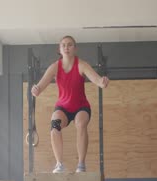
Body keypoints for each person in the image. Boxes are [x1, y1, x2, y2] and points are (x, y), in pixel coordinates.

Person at [31, 35, 109, 173]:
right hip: (63, 107)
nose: (66, 47)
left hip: (81, 107)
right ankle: (59, 164)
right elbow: (40, 86)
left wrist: (102, 82)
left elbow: (96, 79)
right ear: (59, 49)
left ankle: (81, 164)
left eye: (70, 45)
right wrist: (35, 90)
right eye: (63, 45)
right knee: (54, 124)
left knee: (80, 123)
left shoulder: (81, 65)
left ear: (75, 48)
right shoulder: (55, 67)